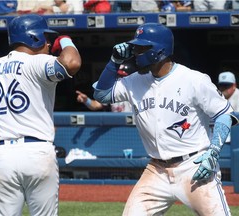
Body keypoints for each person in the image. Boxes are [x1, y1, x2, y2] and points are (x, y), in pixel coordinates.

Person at [93, 23, 239, 215]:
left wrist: (213, 152)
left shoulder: (193, 79)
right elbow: (101, 95)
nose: (135, 52)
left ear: (159, 51)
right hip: (156, 169)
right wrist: (113, 62)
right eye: (135, 47)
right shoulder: (134, 80)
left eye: (141, 48)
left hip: (193, 166)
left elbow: (224, 113)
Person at [0, 14, 81, 216]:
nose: (50, 43)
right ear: (34, 37)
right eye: (47, 37)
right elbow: (71, 62)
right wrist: (65, 40)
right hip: (37, 152)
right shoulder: (38, 62)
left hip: (1, 156)